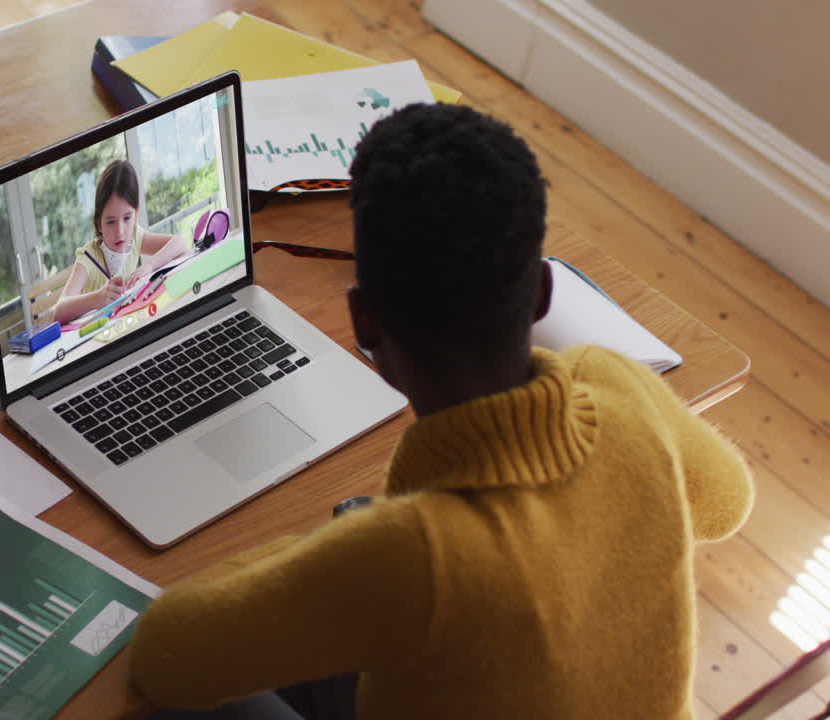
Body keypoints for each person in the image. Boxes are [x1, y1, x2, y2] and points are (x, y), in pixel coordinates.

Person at [127, 103, 754, 719]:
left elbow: (164, 655)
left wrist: (332, 551)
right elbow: (727, 503)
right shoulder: (619, 383)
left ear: (364, 321)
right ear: (541, 292)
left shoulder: (406, 557)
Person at [53, 159, 187, 324]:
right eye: (110, 221)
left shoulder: (135, 236)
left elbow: (179, 243)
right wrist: (98, 298)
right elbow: (59, 312)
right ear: (98, 223)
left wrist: (150, 265)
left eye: (127, 218)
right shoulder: (88, 257)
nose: (120, 232)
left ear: (136, 215)